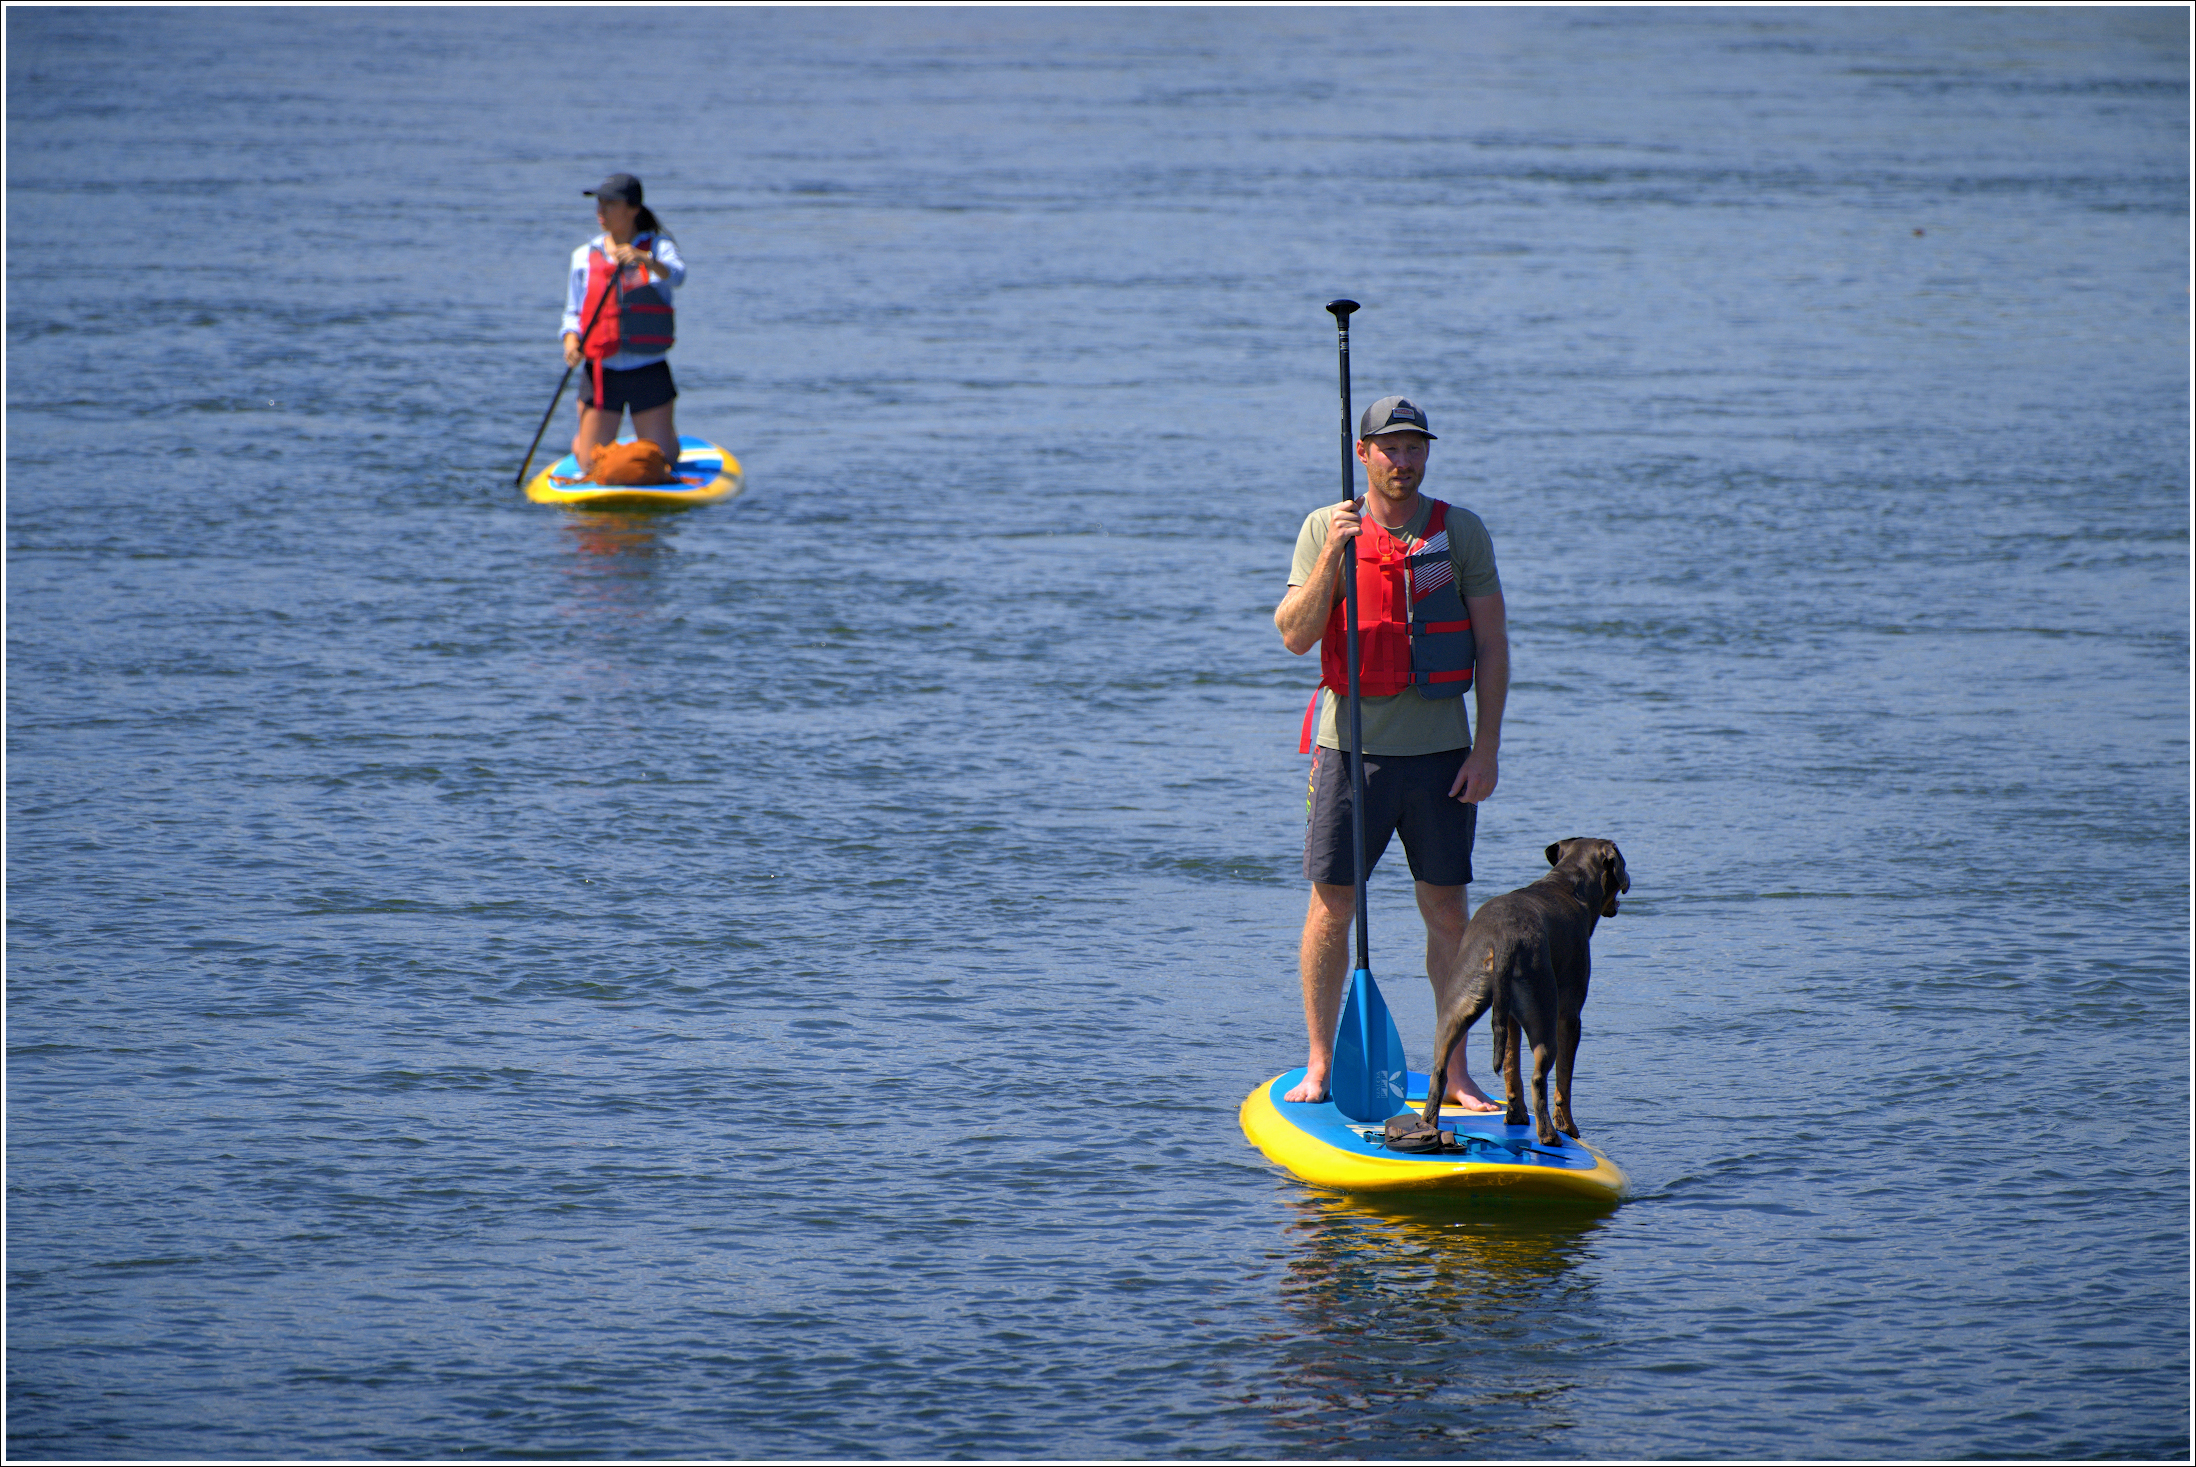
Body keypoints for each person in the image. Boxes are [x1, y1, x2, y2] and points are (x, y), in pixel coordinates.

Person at [1273, 395, 1511, 1109]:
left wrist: (1487, 749)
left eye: (1414, 448)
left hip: (1442, 755)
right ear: (1364, 454)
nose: (1402, 461)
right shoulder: (1324, 526)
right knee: (1332, 908)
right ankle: (1320, 1063)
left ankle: (1454, 1071)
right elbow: (1294, 635)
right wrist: (1334, 555)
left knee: (1447, 912)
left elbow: (1493, 646)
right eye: (1390, 449)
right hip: (1350, 753)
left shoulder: (1459, 532)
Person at [561, 173, 685, 471]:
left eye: (610, 203)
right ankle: (582, 442)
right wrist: (571, 342)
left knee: (661, 463)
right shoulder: (583, 256)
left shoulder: (658, 247)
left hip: (648, 368)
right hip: (602, 371)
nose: (601, 210)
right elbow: (572, 313)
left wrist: (646, 259)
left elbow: (678, 276)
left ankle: (668, 441)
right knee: (590, 465)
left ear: (633, 209)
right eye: (599, 203)